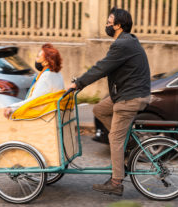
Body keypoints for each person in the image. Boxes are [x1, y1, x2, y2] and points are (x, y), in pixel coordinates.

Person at [68, 7, 151, 196]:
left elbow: (101, 68)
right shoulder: (126, 42)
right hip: (127, 94)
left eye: (109, 21)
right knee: (99, 109)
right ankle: (125, 142)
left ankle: (116, 183)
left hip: (130, 98)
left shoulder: (122, 45)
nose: (106, 24)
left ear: (118, 25)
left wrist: (78, 84)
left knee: (114, 138)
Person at [4, 43, 64, 118]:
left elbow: (33, 100)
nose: (36, 59)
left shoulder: (46, 76)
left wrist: (12, 107)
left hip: (43, 115)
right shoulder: (57, 73)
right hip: (52, 111)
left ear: (46, 62)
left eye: (38, 57)